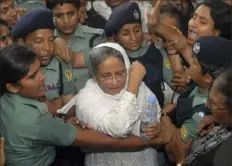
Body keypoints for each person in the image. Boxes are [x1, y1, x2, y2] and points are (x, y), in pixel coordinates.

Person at [0, 44, 171, 166]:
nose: (42, 77)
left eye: (39, 70)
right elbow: (112, 141)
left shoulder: (7, 99)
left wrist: (154, 126)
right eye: (32, 76)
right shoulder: (35, 121)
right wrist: (157, 139)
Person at [58, 42, 160, 165]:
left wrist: (155, 128)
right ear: (95, 76)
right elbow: (118, 128)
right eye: (106, 76)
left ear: (128, 68)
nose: (115, 82)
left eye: (120, 73)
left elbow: (154, 114)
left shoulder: (140, 86)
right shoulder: (86, 99)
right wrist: (132, 87)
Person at [11, 9, 76, 113]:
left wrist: (70, 116)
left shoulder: (61, 62)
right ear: (22, 42)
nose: (47, 47)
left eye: (51, 40)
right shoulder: (13, 67)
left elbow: (68, 101)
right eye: (38, 41)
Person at [105, 2, 164, 107]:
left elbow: (177, 85)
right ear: (116, 36)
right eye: (125, 34)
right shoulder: (112, 58)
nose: (133, 38)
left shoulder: (155, 51)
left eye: (137, 30)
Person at [46, 0, 105, 92]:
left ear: (79, 12)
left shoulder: (95, 38)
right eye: (59, 16)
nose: (66, 21)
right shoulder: (45, 43)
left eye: (71, 14)